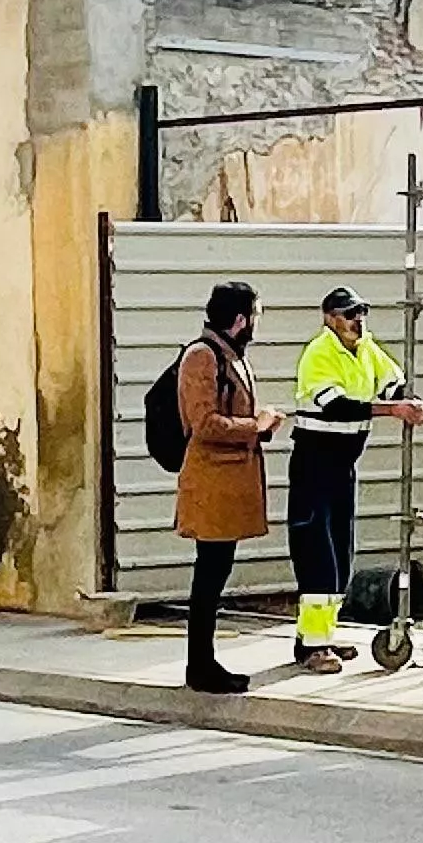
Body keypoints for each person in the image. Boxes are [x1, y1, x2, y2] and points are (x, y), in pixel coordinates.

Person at [287, 287, 423, 673]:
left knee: (340, 555)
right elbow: (335, 407)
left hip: (342, 467)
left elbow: (392, 383)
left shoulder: (366, 348)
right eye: (349, 314)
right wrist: (393, 410)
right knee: (318, 557)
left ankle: (319, 635)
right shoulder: (319, 353)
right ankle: (313, 647)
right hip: (314, 466)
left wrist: (410, 400)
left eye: (361, 312)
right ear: (329, 318)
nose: (358, 320)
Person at [175, 280, 282, 694]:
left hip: (229, 482)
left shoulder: (230, 355)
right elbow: (203, 423)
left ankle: (204, 662)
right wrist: (256, 425)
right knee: (209, 577)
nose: (256, 323)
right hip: (212, 484)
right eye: (255, 315)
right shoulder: (202, 356)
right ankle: (200, 666)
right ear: (240, 319)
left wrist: (261, 426)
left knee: (214, 573)